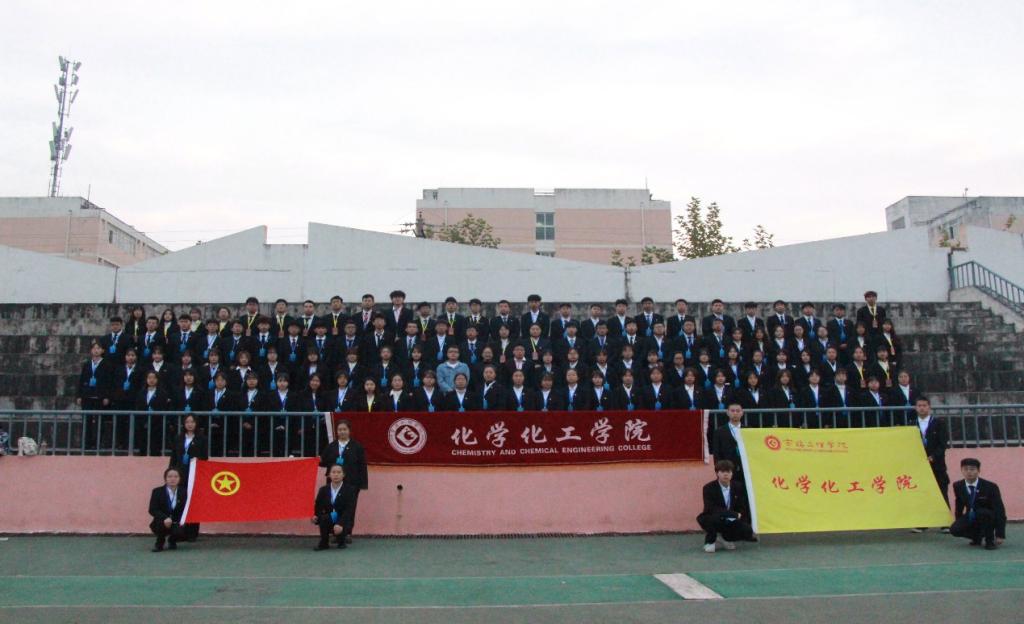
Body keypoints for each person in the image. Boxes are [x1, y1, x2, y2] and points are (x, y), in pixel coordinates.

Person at [318, 419, 368, 544]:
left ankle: (347, 533)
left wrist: (363, 483)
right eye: (340, 430)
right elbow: (323, 461)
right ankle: (334, 532)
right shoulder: (331, 446)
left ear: (349, 431)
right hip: (333, 484)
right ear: (336, 431)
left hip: (351, 482)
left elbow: (362, 465)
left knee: (349, 508)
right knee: (333, 507)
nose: (342, 432)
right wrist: (316, 460)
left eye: (344, 429)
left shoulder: (357, 447)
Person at [697, 460, 755, 553]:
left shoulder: (738, 486)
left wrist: (740, 518)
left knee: (747, 530)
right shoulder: (708, 488)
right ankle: (710, 541)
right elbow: (711, 508)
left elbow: (742, 506)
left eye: (728, 471)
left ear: (732, 473)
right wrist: (733, 514)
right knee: (712, 520)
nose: (726, 474)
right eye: (722, 471)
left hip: (730, 519)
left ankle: (725, 538)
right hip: (713, 517)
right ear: (717, 473)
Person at [949, 458, 1006, 550]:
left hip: (988, 516)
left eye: (972, 469)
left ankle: (989, 540)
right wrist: (958, 521)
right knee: (954, 530)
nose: (969, 472)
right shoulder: (958, 485)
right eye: (965, 469)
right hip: (971, 514)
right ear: (961, 470)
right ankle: (977, 537)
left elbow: (1000, 510)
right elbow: (959, 504)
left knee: (983, 513)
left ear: (978, 471)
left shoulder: (990, 486)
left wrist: (1000, 533)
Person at [168, 413, 207, 541]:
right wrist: (171, 472)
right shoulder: (178, 438)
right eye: (187, 422)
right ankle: (179, 531)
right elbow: (174, 456)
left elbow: (205, 458)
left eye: (192, 422)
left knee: (193, 503)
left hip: (194, 474)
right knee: (180, 502)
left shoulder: (201, 439)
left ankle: (192, 533)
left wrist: (197, 460)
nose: (190, 424)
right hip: (180, 473)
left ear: (196, 423)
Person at [312, 464, 358, 550]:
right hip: (329, 517)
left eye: (339, 472)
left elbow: (349, 510)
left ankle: (341, 541)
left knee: (341, 534)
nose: (336, 475)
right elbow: (318, 505)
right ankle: (324, 543)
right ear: (329, 474)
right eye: (333, 472)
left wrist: (340, 524)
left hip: (342, 519)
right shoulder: (323, 490)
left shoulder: (350, 490)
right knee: (323, 518)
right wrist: (315, 515)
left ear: (343, 475)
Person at [148, 467, 186, 552]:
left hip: (176, 521)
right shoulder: (157, 491)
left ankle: (172, 540)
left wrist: (181, 521)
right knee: (161, 525)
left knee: (182, 529)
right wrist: (165, 518)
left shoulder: (184, 492)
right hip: (161, 521)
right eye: (170, 476)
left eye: (176, 476)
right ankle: (159, 543)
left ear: (180, 479)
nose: (173, 479)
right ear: (165, 478)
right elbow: (152, 509)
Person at [712, 403, 747, 482]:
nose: (735, 413)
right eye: (732, 411)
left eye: (738, 411)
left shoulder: (748, 430)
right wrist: (720, 470)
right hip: (727, 469)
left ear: (742, 413)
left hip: (745, 470)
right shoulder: (719, 431)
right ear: (727, 413)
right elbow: (717, 453)